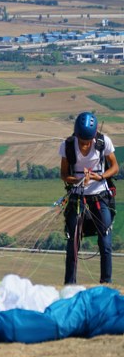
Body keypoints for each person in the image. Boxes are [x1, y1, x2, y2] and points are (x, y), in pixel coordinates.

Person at [59, 111, 118, 284]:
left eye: (88, 141)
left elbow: (115, 167)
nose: (85, 145)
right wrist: (78, 180)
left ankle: (105, 284)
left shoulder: (102, 142)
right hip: (78, 197)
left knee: (105, 242)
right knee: (73, 244)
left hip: (100, 196)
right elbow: (63, 174)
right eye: (82, 141)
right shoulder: (68, 145)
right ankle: (70, 286)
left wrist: (99, 177)